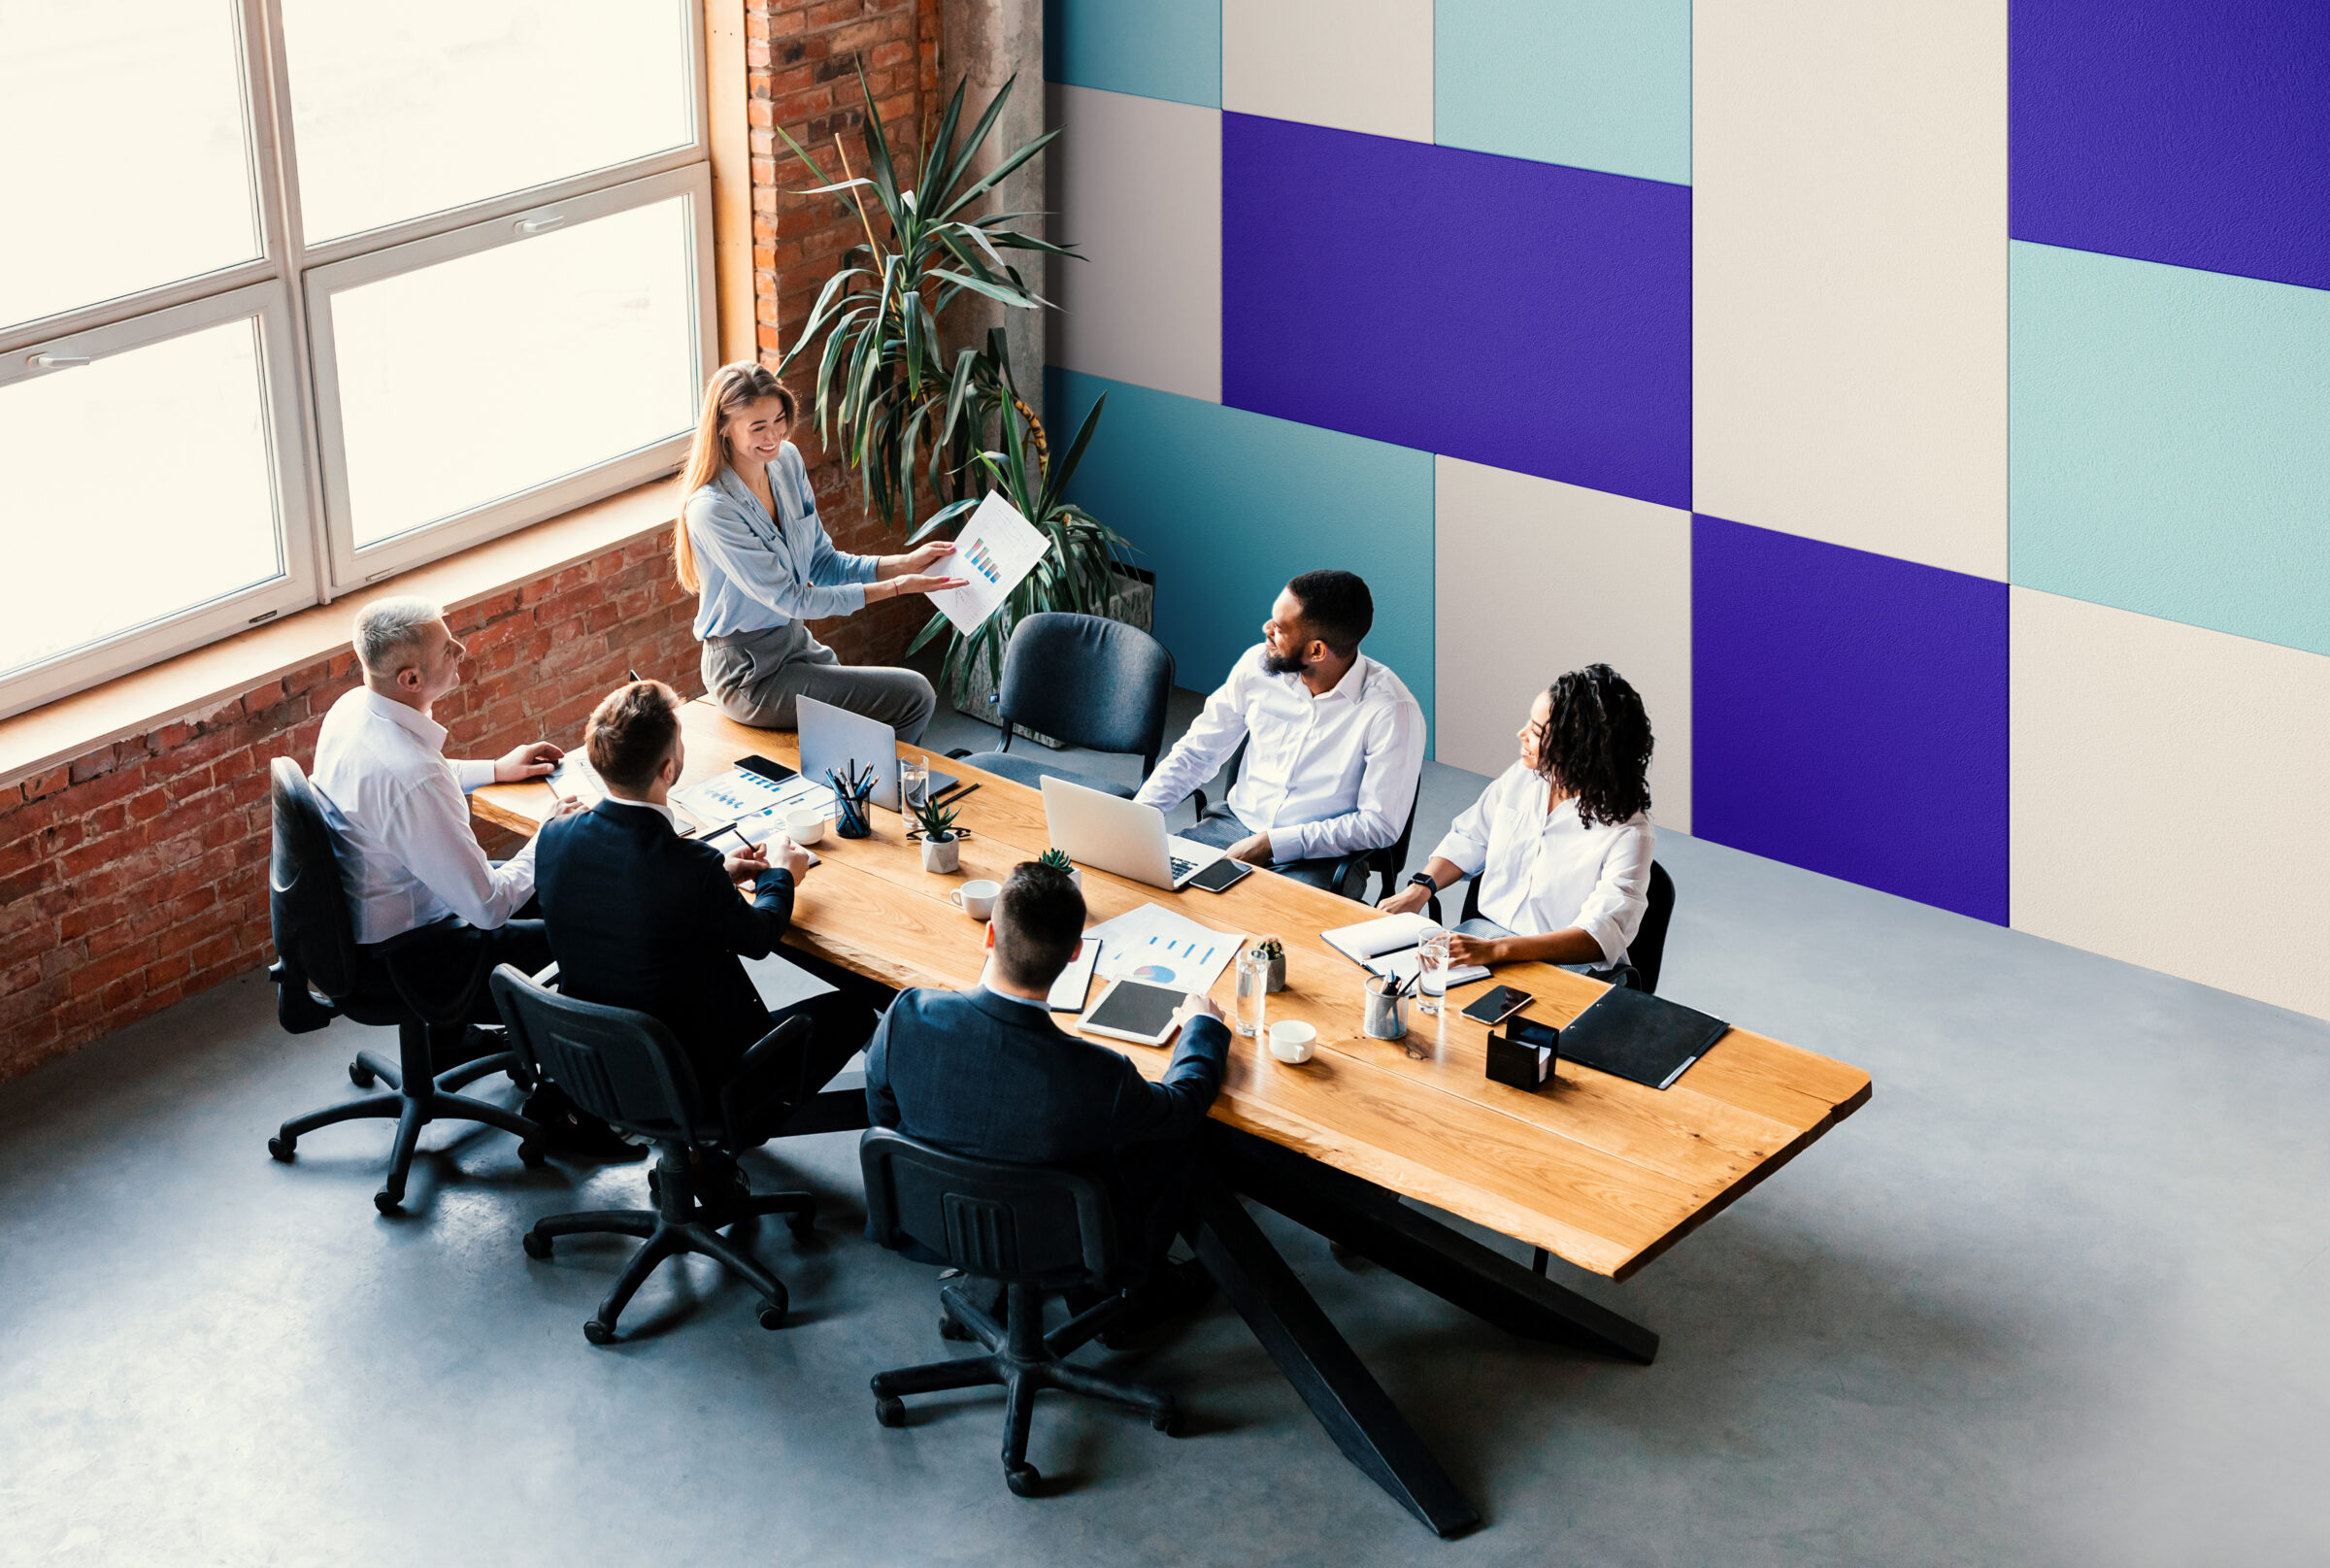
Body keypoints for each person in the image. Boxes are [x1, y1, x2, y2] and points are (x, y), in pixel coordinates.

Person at [309, 596, 633, 1158]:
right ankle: (566, 1110)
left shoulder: (356, 708)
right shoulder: (408, 778)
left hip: (362, 929)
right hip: (412, 957)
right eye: (446, 647)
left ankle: (451, 1039)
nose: (460, 649)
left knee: (558, 885)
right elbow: (486, 907)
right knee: (597, 933)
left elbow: (418, 777)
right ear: (411, 678)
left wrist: (494, 770)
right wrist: (549, 834)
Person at [864, 860, 1228, 1335]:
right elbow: (1181, 1106)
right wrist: (1203, 1028)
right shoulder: (1099, 1073)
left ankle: (987, 1270)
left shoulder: (907, 1013)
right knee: (1172, 1141)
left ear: (990, 936)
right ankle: (1135, 1299)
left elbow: (883, 1115)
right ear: (1076, 953)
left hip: (930, 1220)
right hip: (1061, 1242)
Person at [531, 680, 883, 1111]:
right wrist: (780, 875)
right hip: (701, 1077)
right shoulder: (688, 866)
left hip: (603, 1061)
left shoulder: (554, 836)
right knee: (856, 1009)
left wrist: (718, 873)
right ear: (667, 770)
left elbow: (636, 888)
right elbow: (757, 938)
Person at [676, 362, 967, 742]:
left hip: (795, 644)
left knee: (871, 717)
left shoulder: (786, 462)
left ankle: (870, 792)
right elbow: (790, 598)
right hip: (748, 673)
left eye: (779, 420)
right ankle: (881, 795)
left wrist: (903, 563)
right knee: (913, 695)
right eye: (758, 427)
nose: (773, 436)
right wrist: (896, 588)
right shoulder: (713, 509)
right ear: (723, 429)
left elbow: (822, 562)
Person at [1134, 570, 1425, 890]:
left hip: (1323, 859)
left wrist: (1272, 843)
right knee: (1150, 886)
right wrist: (1135, 816)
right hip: (1233, 826)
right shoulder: (1256, 667)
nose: (1266, 630)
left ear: (1316, 651)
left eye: (1280, 629)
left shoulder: (1392, 711)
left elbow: (1378, 825)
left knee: (1268, 931)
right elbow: (1196, 754)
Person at [1376, 664, 1656, 977]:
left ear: (1580, 749)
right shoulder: (1524, 776)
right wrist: (1419, 890)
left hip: (1563, 966)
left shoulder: (1630, 833)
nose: (1521, 734)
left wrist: (1497, 950)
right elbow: (1471, 837)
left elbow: (1600, 933)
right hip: (1484, 936)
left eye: (1537, 731)